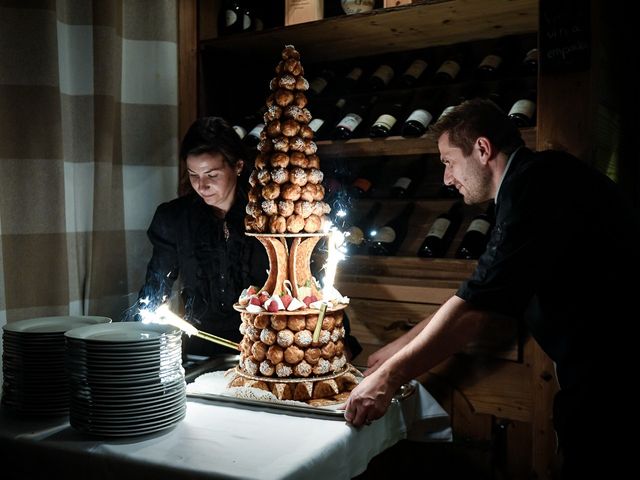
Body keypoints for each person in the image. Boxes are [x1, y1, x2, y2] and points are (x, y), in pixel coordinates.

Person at [343, 99, 638, 478]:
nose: (447, 178)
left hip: (616, 381)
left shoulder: (536, 185)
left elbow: (474, 313)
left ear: (482, 149)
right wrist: (398, 349)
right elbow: (479, 289)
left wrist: (389, 378)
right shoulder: (529, 182)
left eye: (448, 162)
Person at [134, 116, 361, 358]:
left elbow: (308, 283)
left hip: (267, 351)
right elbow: (155, 288)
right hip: (199, 351)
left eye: (212, 175)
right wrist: (135, 337)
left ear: (238, 166)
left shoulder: (270, 218)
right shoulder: (175, 219)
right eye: (193, 175)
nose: (202, 186)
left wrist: (339, 338)